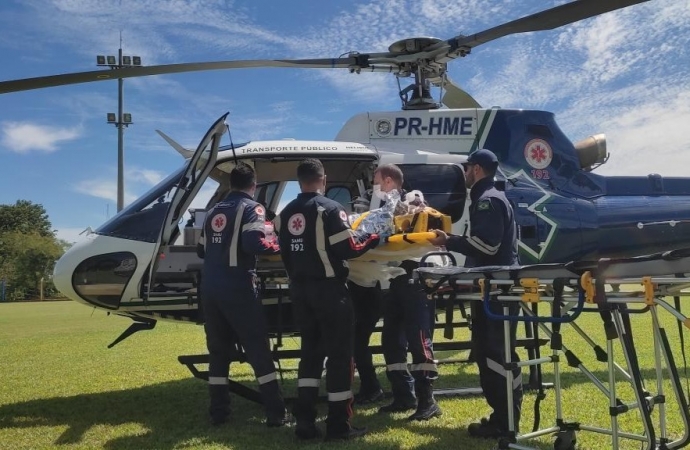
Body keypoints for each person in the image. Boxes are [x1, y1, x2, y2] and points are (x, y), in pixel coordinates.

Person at [274, 158, 380, 440]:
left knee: (309, 356)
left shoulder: (284, 214)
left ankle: (305, 423)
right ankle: (338, 425)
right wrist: (373, 237)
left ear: (299, 181)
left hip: (300, 292)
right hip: (330, 292)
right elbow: (349, 247)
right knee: (340, 358)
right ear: (323, 180)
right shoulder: (330, 209)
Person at [428, 148, 523, 438]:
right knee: (489, 354)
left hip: (499, 291)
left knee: (497, 355)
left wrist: (450, 241)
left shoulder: (487, 201)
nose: (465, 172)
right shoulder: (489, 197)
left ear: (478, 169)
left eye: (468, 167)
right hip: (493, 289)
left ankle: (506, 422)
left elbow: (487, 246)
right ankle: (503, 418)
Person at [196, 162, 287, 428]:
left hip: (211, 288)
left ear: (230, 184)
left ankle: (219, 412)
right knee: (258, 348)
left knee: (218, 352)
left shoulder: (213, 211)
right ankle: (275, 412)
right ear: (253, 185)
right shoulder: (253, 208)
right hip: (238, 287)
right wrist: (277, 243)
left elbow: (201, 250)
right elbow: (253, 243)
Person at [372, 164, 442, 421]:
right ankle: (403, 395)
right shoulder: (383, 209)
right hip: (395, 280)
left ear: (388, 181)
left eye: (376, 181)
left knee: (418, 339)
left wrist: (391, 211)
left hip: (416, 280)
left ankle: (428, 401)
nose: (375, 187)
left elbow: (415, 211)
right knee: (390, 340)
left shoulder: (412, 197)